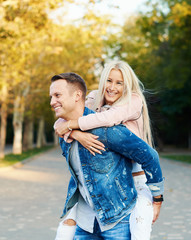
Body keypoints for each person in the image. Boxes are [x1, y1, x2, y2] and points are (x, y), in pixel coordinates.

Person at [49, 72, 164, 239]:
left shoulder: (105, 129)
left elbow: (150, 156)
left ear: (77, 95)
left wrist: (157, 197)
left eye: (57, 95)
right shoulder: (64, 133)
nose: (52, 102)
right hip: (86, 222)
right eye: (51, 96)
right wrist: (75, 134)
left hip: (117, 221)